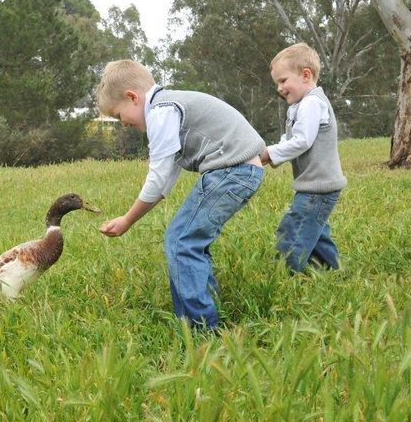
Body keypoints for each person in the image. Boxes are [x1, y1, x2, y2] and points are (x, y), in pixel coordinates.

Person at [96, 59, 265, 330]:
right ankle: (207, 308)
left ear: (132, 97)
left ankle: (199, 328)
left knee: (181, 240)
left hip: (231, 171)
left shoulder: (161, 110)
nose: (122, 124)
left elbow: (158, 176)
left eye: (118, 116)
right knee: (189, 240)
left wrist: (128, 219)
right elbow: (166, 181)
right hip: (240, 171)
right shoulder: (170, 105)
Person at [260, 43, 347, 272]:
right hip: (320, 185)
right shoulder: (303, 104)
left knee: (293, 230)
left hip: (317, 187)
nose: (279, 88)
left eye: (282, 80)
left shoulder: (311, 103)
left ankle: (284, 278)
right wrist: (271, 151)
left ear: (305, 75)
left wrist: (270, 153)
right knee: (316, 233)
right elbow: (291, 137)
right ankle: (333, 272)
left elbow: (302, 141)